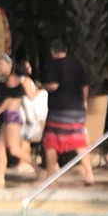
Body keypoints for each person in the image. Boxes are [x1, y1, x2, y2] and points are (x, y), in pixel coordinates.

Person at [0, 55, 36, 187]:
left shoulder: (12, 79)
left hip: (12, 117)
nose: (0, 68)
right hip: (9, 117)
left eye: (1, 65)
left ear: (8, 64)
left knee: (15, 150)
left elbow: (9, 100)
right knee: (1, 147)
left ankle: (40, 170)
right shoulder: (11, 79)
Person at [41, 41, 92, 183]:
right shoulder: (77, 65)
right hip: (77, 109)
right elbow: (85, 86)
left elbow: (54, 85)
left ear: (53, 52)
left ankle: (51, 178)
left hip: (59, 109)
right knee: (79, 142)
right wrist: (84, 101)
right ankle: (89, 175)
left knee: (50, 142)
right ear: (66, 50)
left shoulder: (54, 65)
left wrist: (42, 86)